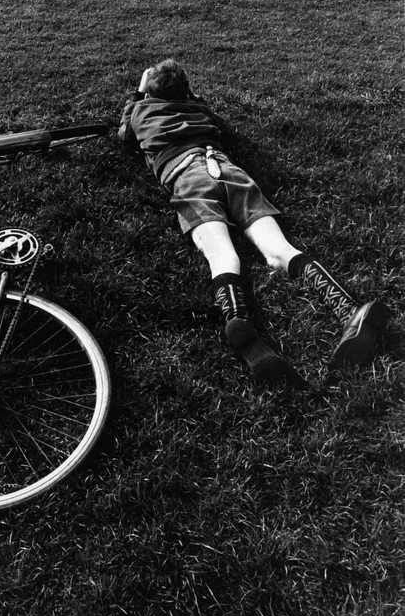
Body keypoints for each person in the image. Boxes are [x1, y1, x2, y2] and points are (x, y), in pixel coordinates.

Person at [118, 59, 390, 385]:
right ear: (186, 91)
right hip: (227, 169)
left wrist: (138, 93)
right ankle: (349, 310)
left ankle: (247, 337)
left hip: (187, 178)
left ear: (149, 93)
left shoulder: (141, 113)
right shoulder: (201, 113)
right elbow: (222, 126)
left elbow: (124, 136)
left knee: (223, 256)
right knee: (279, 250)